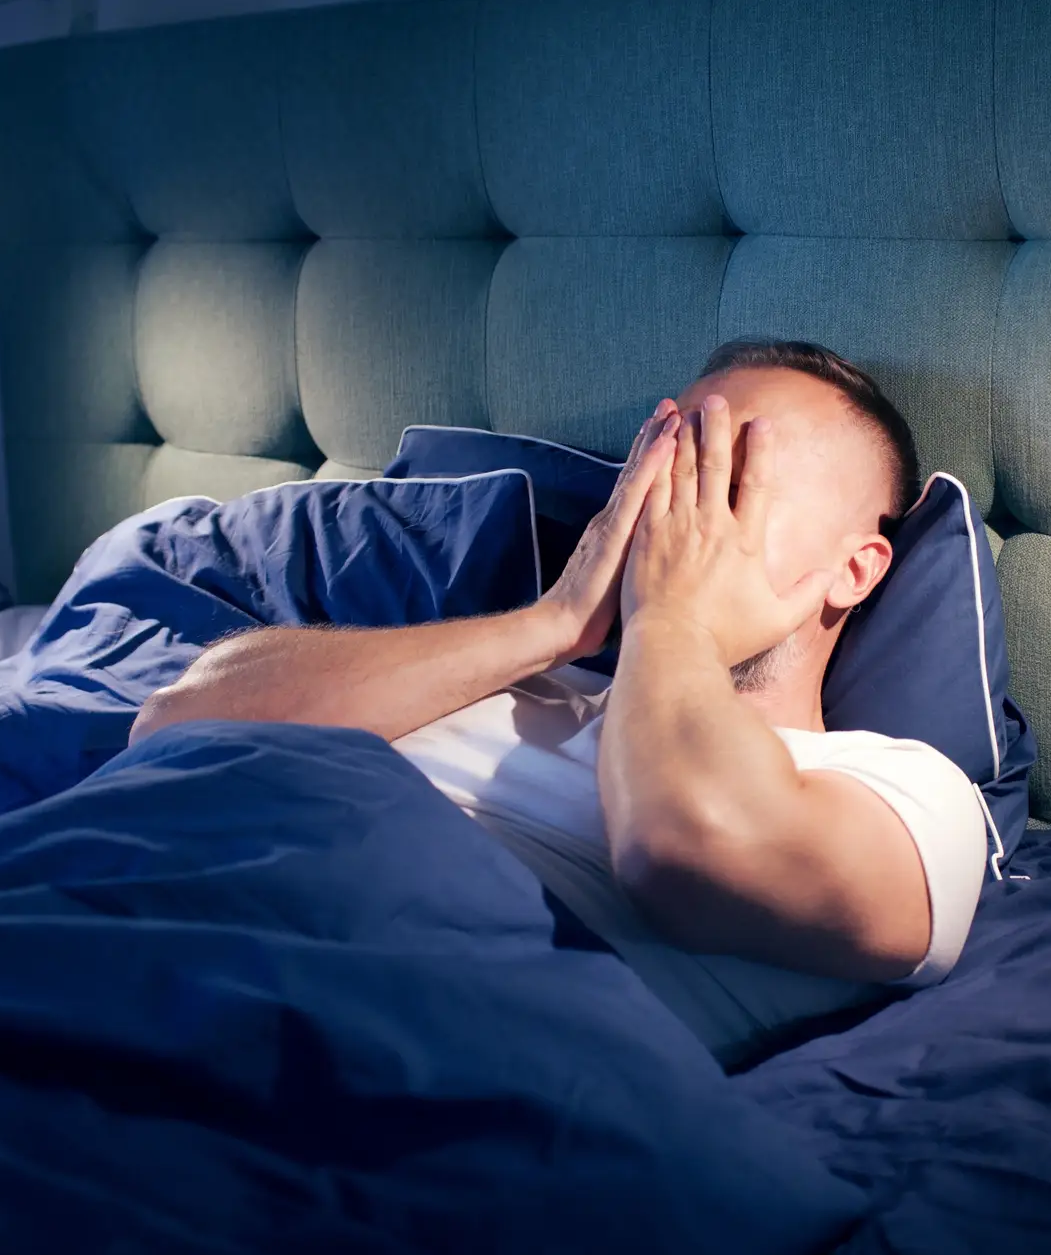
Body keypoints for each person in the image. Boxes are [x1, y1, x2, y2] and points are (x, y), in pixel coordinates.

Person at [129, 340, 987, 1064]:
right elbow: (173, 727)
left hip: (332, 1025)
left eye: (728, 485)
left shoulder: (910, 793)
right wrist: (554, 623)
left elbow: (681, 849)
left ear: (855, 569)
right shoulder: (505, 680)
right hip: (146, 911)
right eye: (665, 469)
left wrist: (675, 619)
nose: (673, 512)